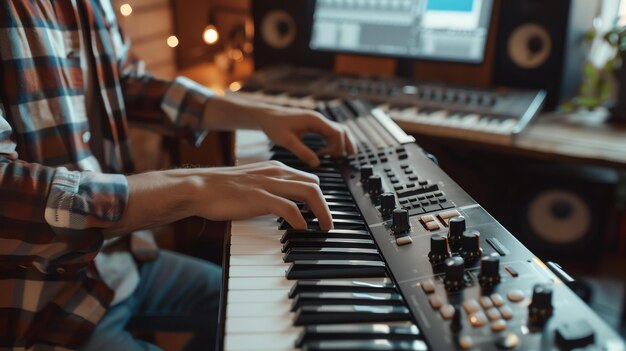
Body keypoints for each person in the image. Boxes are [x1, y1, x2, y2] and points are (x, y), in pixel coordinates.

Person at [0, 1, 355, 350]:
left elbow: (125, 86)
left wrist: (261, 114)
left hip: (118, 261)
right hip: (39, 304)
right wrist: (193, 188)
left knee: (270, 309)